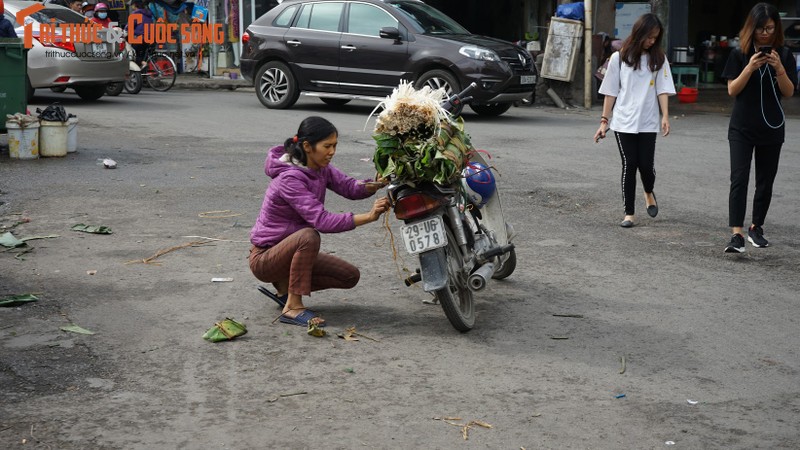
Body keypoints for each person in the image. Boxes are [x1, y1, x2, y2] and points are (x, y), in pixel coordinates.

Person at [249, 117, 391, 327]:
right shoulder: (290, 178)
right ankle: (293, 306)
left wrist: (374, 184)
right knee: (309, 235)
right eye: (327, 146)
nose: (332, 151)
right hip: (265, 258)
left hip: (290, 253)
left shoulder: (319, 166)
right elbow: (322, 221)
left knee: (349, 276)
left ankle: (284, 288)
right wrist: (369, 217)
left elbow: (349, 186)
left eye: (334, 146)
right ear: (307, 146)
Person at [721, 3, 797, 253]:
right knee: (739, 179)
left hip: (772, 128)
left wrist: (779, 69)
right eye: (760, 29)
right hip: (741, 128)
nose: (765, 34)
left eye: (770, 29)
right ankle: (737, 235)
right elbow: (732, 90)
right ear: (750, 29)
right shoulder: (739, 54)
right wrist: (750, 67)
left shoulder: (784, 55)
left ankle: (756, 227)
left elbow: (788, 93)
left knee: (765, 181)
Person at [594, 13, 675, 228]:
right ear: (639, 34)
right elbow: (610, 91)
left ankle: (648, 191)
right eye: (649, 37)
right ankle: (629, 213)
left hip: (648, 121)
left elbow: (663, 89)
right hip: (623, 121)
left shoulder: (659, 58)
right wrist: (604, 121)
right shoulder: (618, 58)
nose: (651, 42)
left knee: (646, 166)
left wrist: (665, 116)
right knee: (630, 165)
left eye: (655, 38)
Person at [127, 0, 153, 65]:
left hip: (141, 38)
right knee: (142, 55)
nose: (131, 7)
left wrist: (124, 32)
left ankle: (142, 63)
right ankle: (143, 70)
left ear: (135, 5)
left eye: (132, 5)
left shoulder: (136, 14)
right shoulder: (148, 14)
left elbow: (129, 27)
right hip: (150, 38)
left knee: (131, 53)